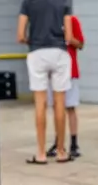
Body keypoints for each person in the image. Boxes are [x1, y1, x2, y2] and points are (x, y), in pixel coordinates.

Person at [19, 0, 74, 164]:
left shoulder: (28, 2)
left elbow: (20, 35)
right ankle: (61, 152)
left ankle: (41, 153)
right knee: (59, 103)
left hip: (37, 52)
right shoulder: (65, 1)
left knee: (40, 103)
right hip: (59, 52)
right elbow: (69, 37)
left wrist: (33, 41)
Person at [46, 9, 84, 160]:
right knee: (57, 108)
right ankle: (58, 142)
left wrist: (69, 39)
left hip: (69, 71)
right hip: (53, 71)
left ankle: (74, 143)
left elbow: (80, 44)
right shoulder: (48, 21)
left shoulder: (72, 20)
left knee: (70, 107)